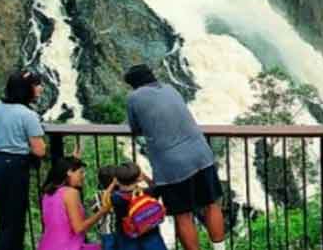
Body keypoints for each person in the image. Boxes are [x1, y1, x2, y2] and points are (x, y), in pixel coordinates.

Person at [123, 64, 225, 250]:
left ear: (133, 85)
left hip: (172, 165)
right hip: (201, 154)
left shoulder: (134, 98)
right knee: (211, 204)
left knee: (183, 214)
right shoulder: (170, 88)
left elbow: (135, 128)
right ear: (152, 76)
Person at [0, 70, 47, 250]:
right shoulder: (27, 115)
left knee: (4, 216)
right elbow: (39, 150)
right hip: (14, 168)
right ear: (26, 90)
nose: (40, 88)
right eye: (36, 85)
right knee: (15, 219)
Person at [37, 156, 114, 250]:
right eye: (80, 172)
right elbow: (79, 228)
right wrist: (103, 211)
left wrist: (73, 160)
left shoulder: (48, 193)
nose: (83, 176)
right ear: (69, 172)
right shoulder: (70, 193)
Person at [110, 162, 167, 250]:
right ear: (138, 179)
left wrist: (113, 184)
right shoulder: (148, 193)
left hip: (128, 237)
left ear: (117, 180)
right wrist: (144, 177)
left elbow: (105, 197)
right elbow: (155, 186)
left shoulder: (116, 198)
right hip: (150, 233)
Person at [92, 165, 119, 250]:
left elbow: (95, 210)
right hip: (119, 231)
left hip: (106, 232)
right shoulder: (118, 194)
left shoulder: (97, 196)